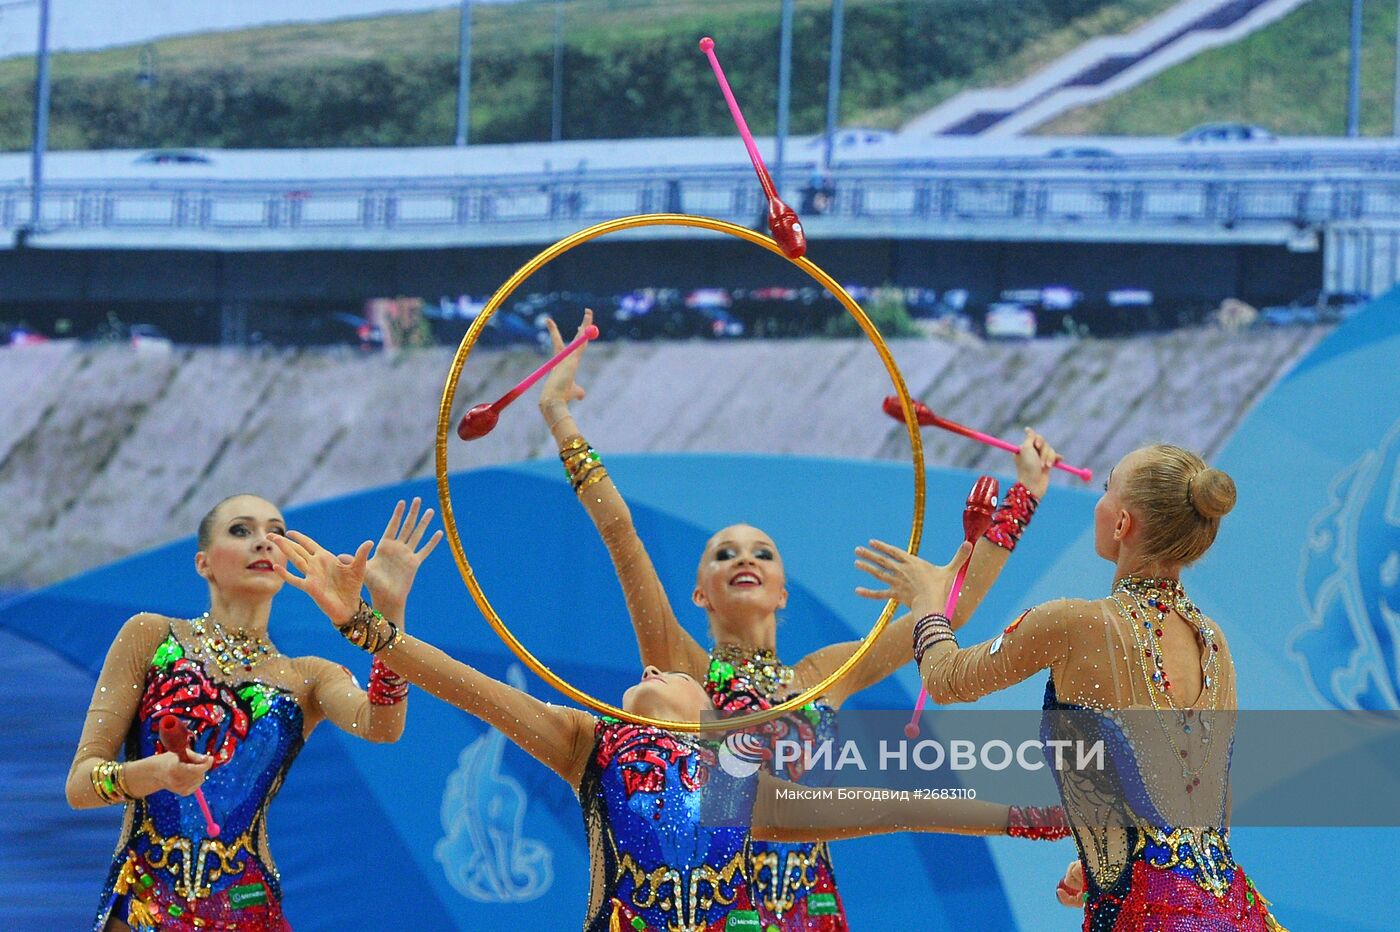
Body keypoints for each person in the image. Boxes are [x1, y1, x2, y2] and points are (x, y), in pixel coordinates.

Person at [535, 309, 1063, 929]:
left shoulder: (823, 674)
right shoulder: (680, 670)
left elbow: (950, 609)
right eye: (723, 553)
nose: (743, 559)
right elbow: (622, 535)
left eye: (762, 552)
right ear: (699, 594)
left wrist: (1022, 500)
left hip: (812, 912)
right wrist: (559, 415)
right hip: (718, 908)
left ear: (784, 591)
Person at [268, 525, 1069, 932]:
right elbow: (467, 687)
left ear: (711, 713)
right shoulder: (590, 743)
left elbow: (902, 803)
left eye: (664, 672)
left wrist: (1044, 816)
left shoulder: (739, 787)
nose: (648, 672)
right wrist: (366, 627)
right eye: (646, 670)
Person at [855, 444, 1288, 931]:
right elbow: (1208, 808)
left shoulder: (1074, 623)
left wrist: (927, 603)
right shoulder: (1214, 642)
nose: (1098, 503)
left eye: (1106, 491)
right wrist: (1108, 853)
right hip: (1236, 910)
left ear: (1123, 524)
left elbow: (947, 678)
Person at [67, 495, 440, 931]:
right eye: (241, 530)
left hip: (247, 907)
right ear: (203, 563)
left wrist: (389, 612)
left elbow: (383, 725)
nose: (263, 542)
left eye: (275, 532)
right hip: (145, 907)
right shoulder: (149, 635)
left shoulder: (307, 677)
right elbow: (80, 786)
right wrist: (152, 774)